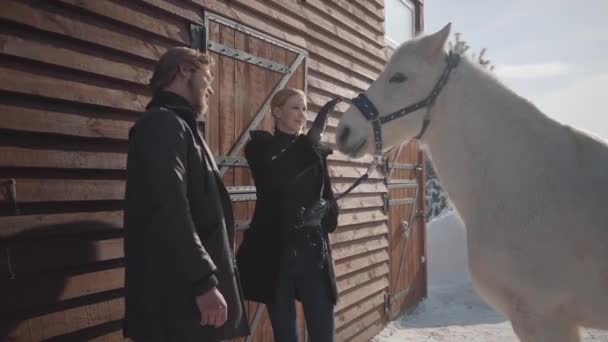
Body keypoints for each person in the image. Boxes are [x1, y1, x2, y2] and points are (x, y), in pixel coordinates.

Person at [123, 47, 249, 342]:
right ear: (183, 70)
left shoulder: (181, 126)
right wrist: (204, 283)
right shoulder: (162, 124)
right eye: (207, 76)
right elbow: (170, 208)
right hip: (178, 301)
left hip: (187, 300)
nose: (211, 87)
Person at [236, 88, 342, 342]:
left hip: (313, 255)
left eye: (305, 108)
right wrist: (311, 141)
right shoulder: (260, 147)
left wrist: (326, 211)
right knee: (286, 336)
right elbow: (275, 177)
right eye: (295, 107)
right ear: (277, 112)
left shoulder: (315, 151)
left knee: (324, 335)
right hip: (277, 258)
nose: (303, 114)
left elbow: (329, 199)